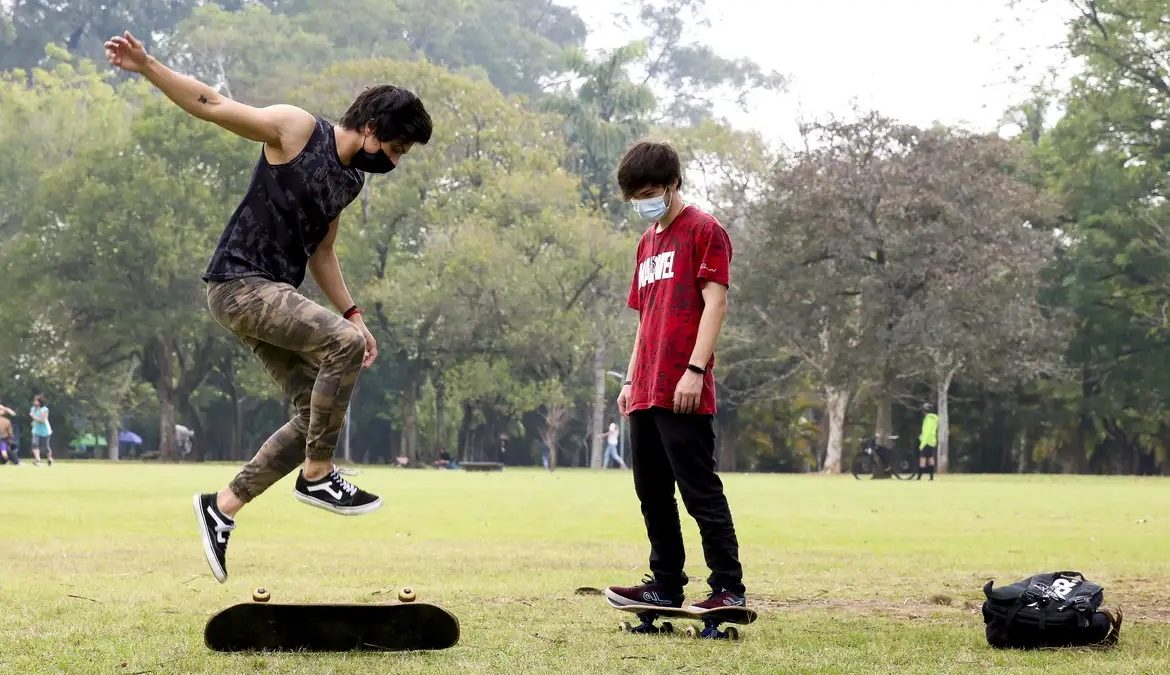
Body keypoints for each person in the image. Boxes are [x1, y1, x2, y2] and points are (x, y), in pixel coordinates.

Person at [104, 30, 432, 583]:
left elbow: (323, 252)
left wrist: (354, 315)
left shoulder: (349, 180)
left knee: (314, 413)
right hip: (238, 283)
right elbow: (213, 104)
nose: (396, 163)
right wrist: (148, 66)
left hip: (273, 293)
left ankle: (223, 505)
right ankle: (319, 474)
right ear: (372, 128)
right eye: (397, 149)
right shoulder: (299, 129)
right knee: (342, 350)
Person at [604, 141, 746, 613]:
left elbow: (716, 302)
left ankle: (727, 586)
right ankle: (664, 582)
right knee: (652, 494)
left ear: (672, 185)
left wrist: (694, 369)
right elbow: (645, 319)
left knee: (699, 489)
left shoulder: (704, 230)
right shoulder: (646, 244)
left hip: (684, 384)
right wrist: (629, 381)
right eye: (634, 195)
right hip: (645, 387)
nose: (643, 201)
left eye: (649, 191)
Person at [29, 394, 53, 466]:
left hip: (45, 430)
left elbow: (42, 420)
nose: (35, 402)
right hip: (36, 430)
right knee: (34, 444)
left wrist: (33, 416)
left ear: (40, 402)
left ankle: (49, 458)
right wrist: (33, 421)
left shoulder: (45, 409)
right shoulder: (32, 408)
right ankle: (38, 460)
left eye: (36, 401)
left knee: (46, 447)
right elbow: (35, 419)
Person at [917, 402, 939, 481]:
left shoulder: (928, 419)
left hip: (926, 441)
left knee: (922, 459)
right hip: (932, 441)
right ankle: (931, 477)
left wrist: (922, 444)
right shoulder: (934, 418)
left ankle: (919, 477)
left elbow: (926, 432)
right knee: (930, 458)